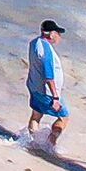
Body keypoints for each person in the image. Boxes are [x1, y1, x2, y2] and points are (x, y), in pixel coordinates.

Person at [26, 20, 67, 151]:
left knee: (36, 115)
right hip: (46, 93)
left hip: (34, 86)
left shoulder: (34, 43)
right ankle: (50, 145)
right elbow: (48, 76)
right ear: (51, 34)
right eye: (58, 33)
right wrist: (55, 97)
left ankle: (33, 142)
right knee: (64, 117)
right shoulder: (46, 50)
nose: (59, 36)